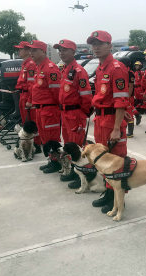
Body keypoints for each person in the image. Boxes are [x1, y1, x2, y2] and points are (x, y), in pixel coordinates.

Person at [86, 30, 129, 213]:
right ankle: (108, 192)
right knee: (102, 160)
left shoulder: (117, 68)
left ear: (109, 46)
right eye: (93, 44)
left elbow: (120, 101)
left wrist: (117, 128)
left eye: (100, 44)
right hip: (101, 119)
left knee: (116, 161)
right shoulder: (100, 68)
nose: (96, 47)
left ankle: (118, 198)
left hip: (112, 120)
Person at [54, 39, 93, 181]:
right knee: (68, 144)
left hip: (75, 114)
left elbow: (86, 96)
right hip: (65, 114)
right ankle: (74, 170)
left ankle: (82, 174)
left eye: (65, 50)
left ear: (73, 52)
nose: (61, 53)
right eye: (60, 50)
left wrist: (83, 114)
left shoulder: (78, 71)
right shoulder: (65, 69)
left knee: (77, 145)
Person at [27, 40, 62, 173]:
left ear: (43, 51)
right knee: (45, 137)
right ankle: (51, 160)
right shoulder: (39, 67)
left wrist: (54, 108)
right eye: (31, 50)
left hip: (49, 110)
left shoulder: (50, 68)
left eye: (34, 50)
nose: (32, 53)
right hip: (40, 109)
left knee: (52, 138)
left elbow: (56, 92)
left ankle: (57, 162)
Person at [133, 61, 143, 125]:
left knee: (140, 103)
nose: (137, 67)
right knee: (135, 104)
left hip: (140, 89)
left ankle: (138, 115)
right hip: (136, 89)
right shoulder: (135, 73)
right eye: (136, 65)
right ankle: (138, 115)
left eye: (138, 66)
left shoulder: (142, 73)